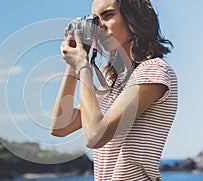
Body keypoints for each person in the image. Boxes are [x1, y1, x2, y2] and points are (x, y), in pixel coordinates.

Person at [51, 0, 178, 180]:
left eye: (108, 15)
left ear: (135, 17)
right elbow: (60, 126)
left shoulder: (153, 71)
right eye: (95, 20)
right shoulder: (114, 80)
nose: (99, 26)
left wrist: (83, 66)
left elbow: (95, 135)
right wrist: (73, 64)